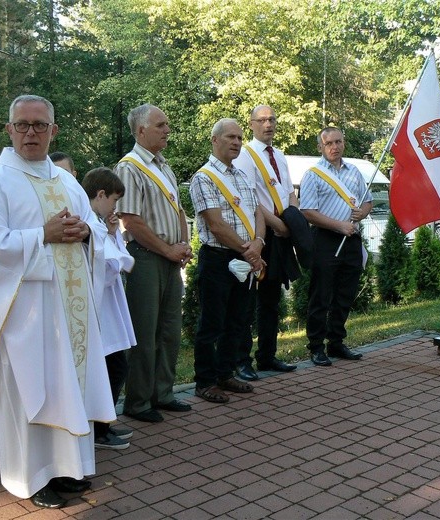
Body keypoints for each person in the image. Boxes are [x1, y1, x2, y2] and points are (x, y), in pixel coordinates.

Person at [0, 95, 116, 509]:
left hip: (69, 313)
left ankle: (69, 469)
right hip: (25, 313)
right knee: (30, 389)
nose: (31, 133)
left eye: (39, 125)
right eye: (22, 125)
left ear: (54, 131)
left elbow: (94, 227)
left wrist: (86, 234)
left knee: (68, 386)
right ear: (9, 130)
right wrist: (43, 235)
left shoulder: (66, 181)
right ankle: (27, 479)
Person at [114, 104, 193, 423]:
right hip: (146, 258)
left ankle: (164, 393)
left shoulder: (164, 165)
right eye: (160, 125)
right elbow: (131, 221)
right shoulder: (129, 167)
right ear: (141, 130)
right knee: (145, 333)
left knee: (170, 330)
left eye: (167, 125)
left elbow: (177, 212)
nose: (167, 130)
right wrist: (167, 249)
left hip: (170, 257)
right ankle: (138, 401)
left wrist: (184, 243)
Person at [189, 118, 265, 403]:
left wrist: (259, 242)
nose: (236, 142)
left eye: (239, 138)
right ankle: (205, 381)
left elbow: (258, 212)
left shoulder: (242, 176)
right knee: (212, 323)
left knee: (238, 320)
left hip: (246, 257)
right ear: (215, 140)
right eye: (230, 137)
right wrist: (251, 251)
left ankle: (225, 373)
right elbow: (216, 225)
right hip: (219, 259)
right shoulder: (204, 177)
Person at [232, 105, 303, 380]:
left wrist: (293, 217)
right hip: (259, 234)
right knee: (248, 300)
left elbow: (289, 192)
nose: (268, 124)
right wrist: (279, 225)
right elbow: (250, 199)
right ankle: (242, 360)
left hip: (281, 234)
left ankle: (267, 356)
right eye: (261, 120)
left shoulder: (281, 156)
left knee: (272, 299)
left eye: (272, 119)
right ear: (251, 124)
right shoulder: (245, 156)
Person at [299, 126, 373, 366]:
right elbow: (308, 212)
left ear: (344, 143)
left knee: (345, 294)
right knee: (321, 295)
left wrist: (361, 213)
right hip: (326, 239)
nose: (334, 147)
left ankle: (337, 342)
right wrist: (339, 226)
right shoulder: (314, 174)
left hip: (351, 239)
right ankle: (316, 346)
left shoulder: (355, 172)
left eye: (338, 142)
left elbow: (368, 201)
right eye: (329, 143)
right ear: (321, 147)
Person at [81, 167, 136, 450]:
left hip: (108, 305)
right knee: (112, 367)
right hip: (98, 307)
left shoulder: (100, 223)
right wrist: (113, 246)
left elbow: (119, 257)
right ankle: (99, 430)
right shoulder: (88, 223)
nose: (115, 207)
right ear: (100, 195)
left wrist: (114, 234)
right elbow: (111, 265)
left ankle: (104, 425)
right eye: (114, 200)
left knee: (114, 366)